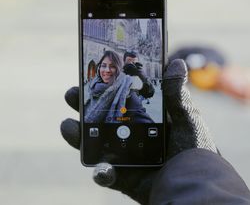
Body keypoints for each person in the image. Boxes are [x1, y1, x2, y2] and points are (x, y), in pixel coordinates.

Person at [61, 59, 250, 204]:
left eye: (112, 66)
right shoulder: (92, 90)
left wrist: (185, 177)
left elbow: (148, 91)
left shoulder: (129, 88)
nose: (107, 70)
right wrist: (191, 174)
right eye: (103, 66)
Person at [85, 50, 154, 123]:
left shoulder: (131, 96)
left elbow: (150, 93)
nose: (131, 64)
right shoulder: (95, 86)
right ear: (122, 63)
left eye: (134, 62)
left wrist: (140, 73)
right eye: (129, 61)